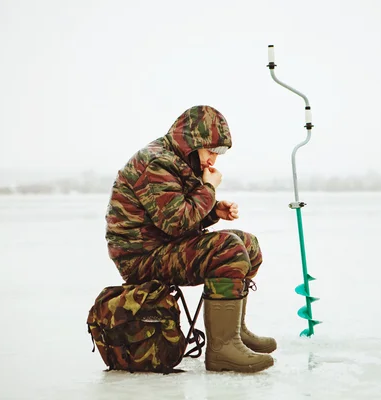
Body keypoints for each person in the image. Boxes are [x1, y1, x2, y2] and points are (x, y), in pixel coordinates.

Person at [105, 105, 276, 373]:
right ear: (193, 144)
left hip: (162, 246)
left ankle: (234, 333)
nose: (214, 160)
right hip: (141, 257)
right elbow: (175, 223)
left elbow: (175, 214)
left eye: (220, 153)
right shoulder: (158, 162)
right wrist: (208, 189)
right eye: (212, 151)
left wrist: (212, 212)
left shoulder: (177, 160)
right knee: (228, 249)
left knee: (248, 245)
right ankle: (222, 351)